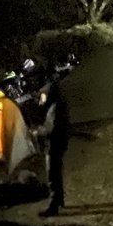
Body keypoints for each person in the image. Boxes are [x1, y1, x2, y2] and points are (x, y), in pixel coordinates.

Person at [35, 78, 69, 217]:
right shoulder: (57, 105)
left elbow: (52, 129)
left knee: (52, 175)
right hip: (58, 143)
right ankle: (59, 200)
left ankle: (53, 206)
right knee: (57, 173)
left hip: (54, 144)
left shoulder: (55, 108)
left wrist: (38, 132)